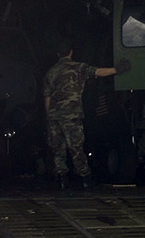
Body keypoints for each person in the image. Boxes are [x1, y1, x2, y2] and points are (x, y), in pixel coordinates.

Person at [43, 39, 129, 188]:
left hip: (55, 116)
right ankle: (85, 176)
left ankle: (61, 177)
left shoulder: (51, 72)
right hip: (72, 115)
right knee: (76, 147)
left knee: (58, 148)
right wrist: (118, 69)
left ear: (58, 54)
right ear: (71, 52)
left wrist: (49, 116)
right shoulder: (79, 67)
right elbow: (99, 72)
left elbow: (47, 98)